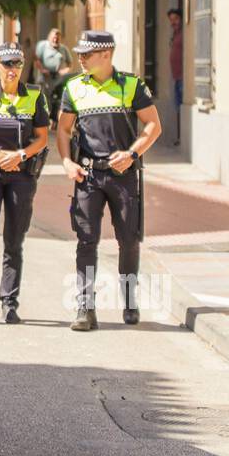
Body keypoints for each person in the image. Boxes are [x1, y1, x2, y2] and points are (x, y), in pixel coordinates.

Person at [57, 30, 161, 331]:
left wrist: (131, 153)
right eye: (79, 54)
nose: (80, 59)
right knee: (86, 241)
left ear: (106, 54)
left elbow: (154, 125)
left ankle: (129, 300)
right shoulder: (74, 87)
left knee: (128, 240)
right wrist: (66, 161)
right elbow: (64, 130)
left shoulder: (131, 85)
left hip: (123, 176)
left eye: (86, 54)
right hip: (88, 176)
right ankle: (85, 309)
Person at [0, 43, 49, 325]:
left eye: (16, 63)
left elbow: (42, 137)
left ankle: (9, 303)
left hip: (22, 175)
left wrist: (21, 155)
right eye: (6, 64)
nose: (12, 69)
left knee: (14, 242)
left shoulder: (35, 96)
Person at [35, 26, 74, 127]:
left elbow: (70, 63)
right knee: (44, 99)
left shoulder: (63, 49)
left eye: (57, 38)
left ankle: (56, 121)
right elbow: (36, 60)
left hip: (58, 78)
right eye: (54, 38)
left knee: (59, 100)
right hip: (45, 78)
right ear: (49, 37)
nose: (55, 40)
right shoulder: (43, 46)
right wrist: (42, 70)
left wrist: (65, 71)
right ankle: (43, 121)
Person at [168, 8, 183, 146]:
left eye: (175, 19)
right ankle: (180, 137)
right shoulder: (175, 34)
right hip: (177, 77)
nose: (173, 22)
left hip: (183, 77)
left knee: (181, 106)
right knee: (178, 106)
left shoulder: (184, 34)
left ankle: (182, 137)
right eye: (171, 20)